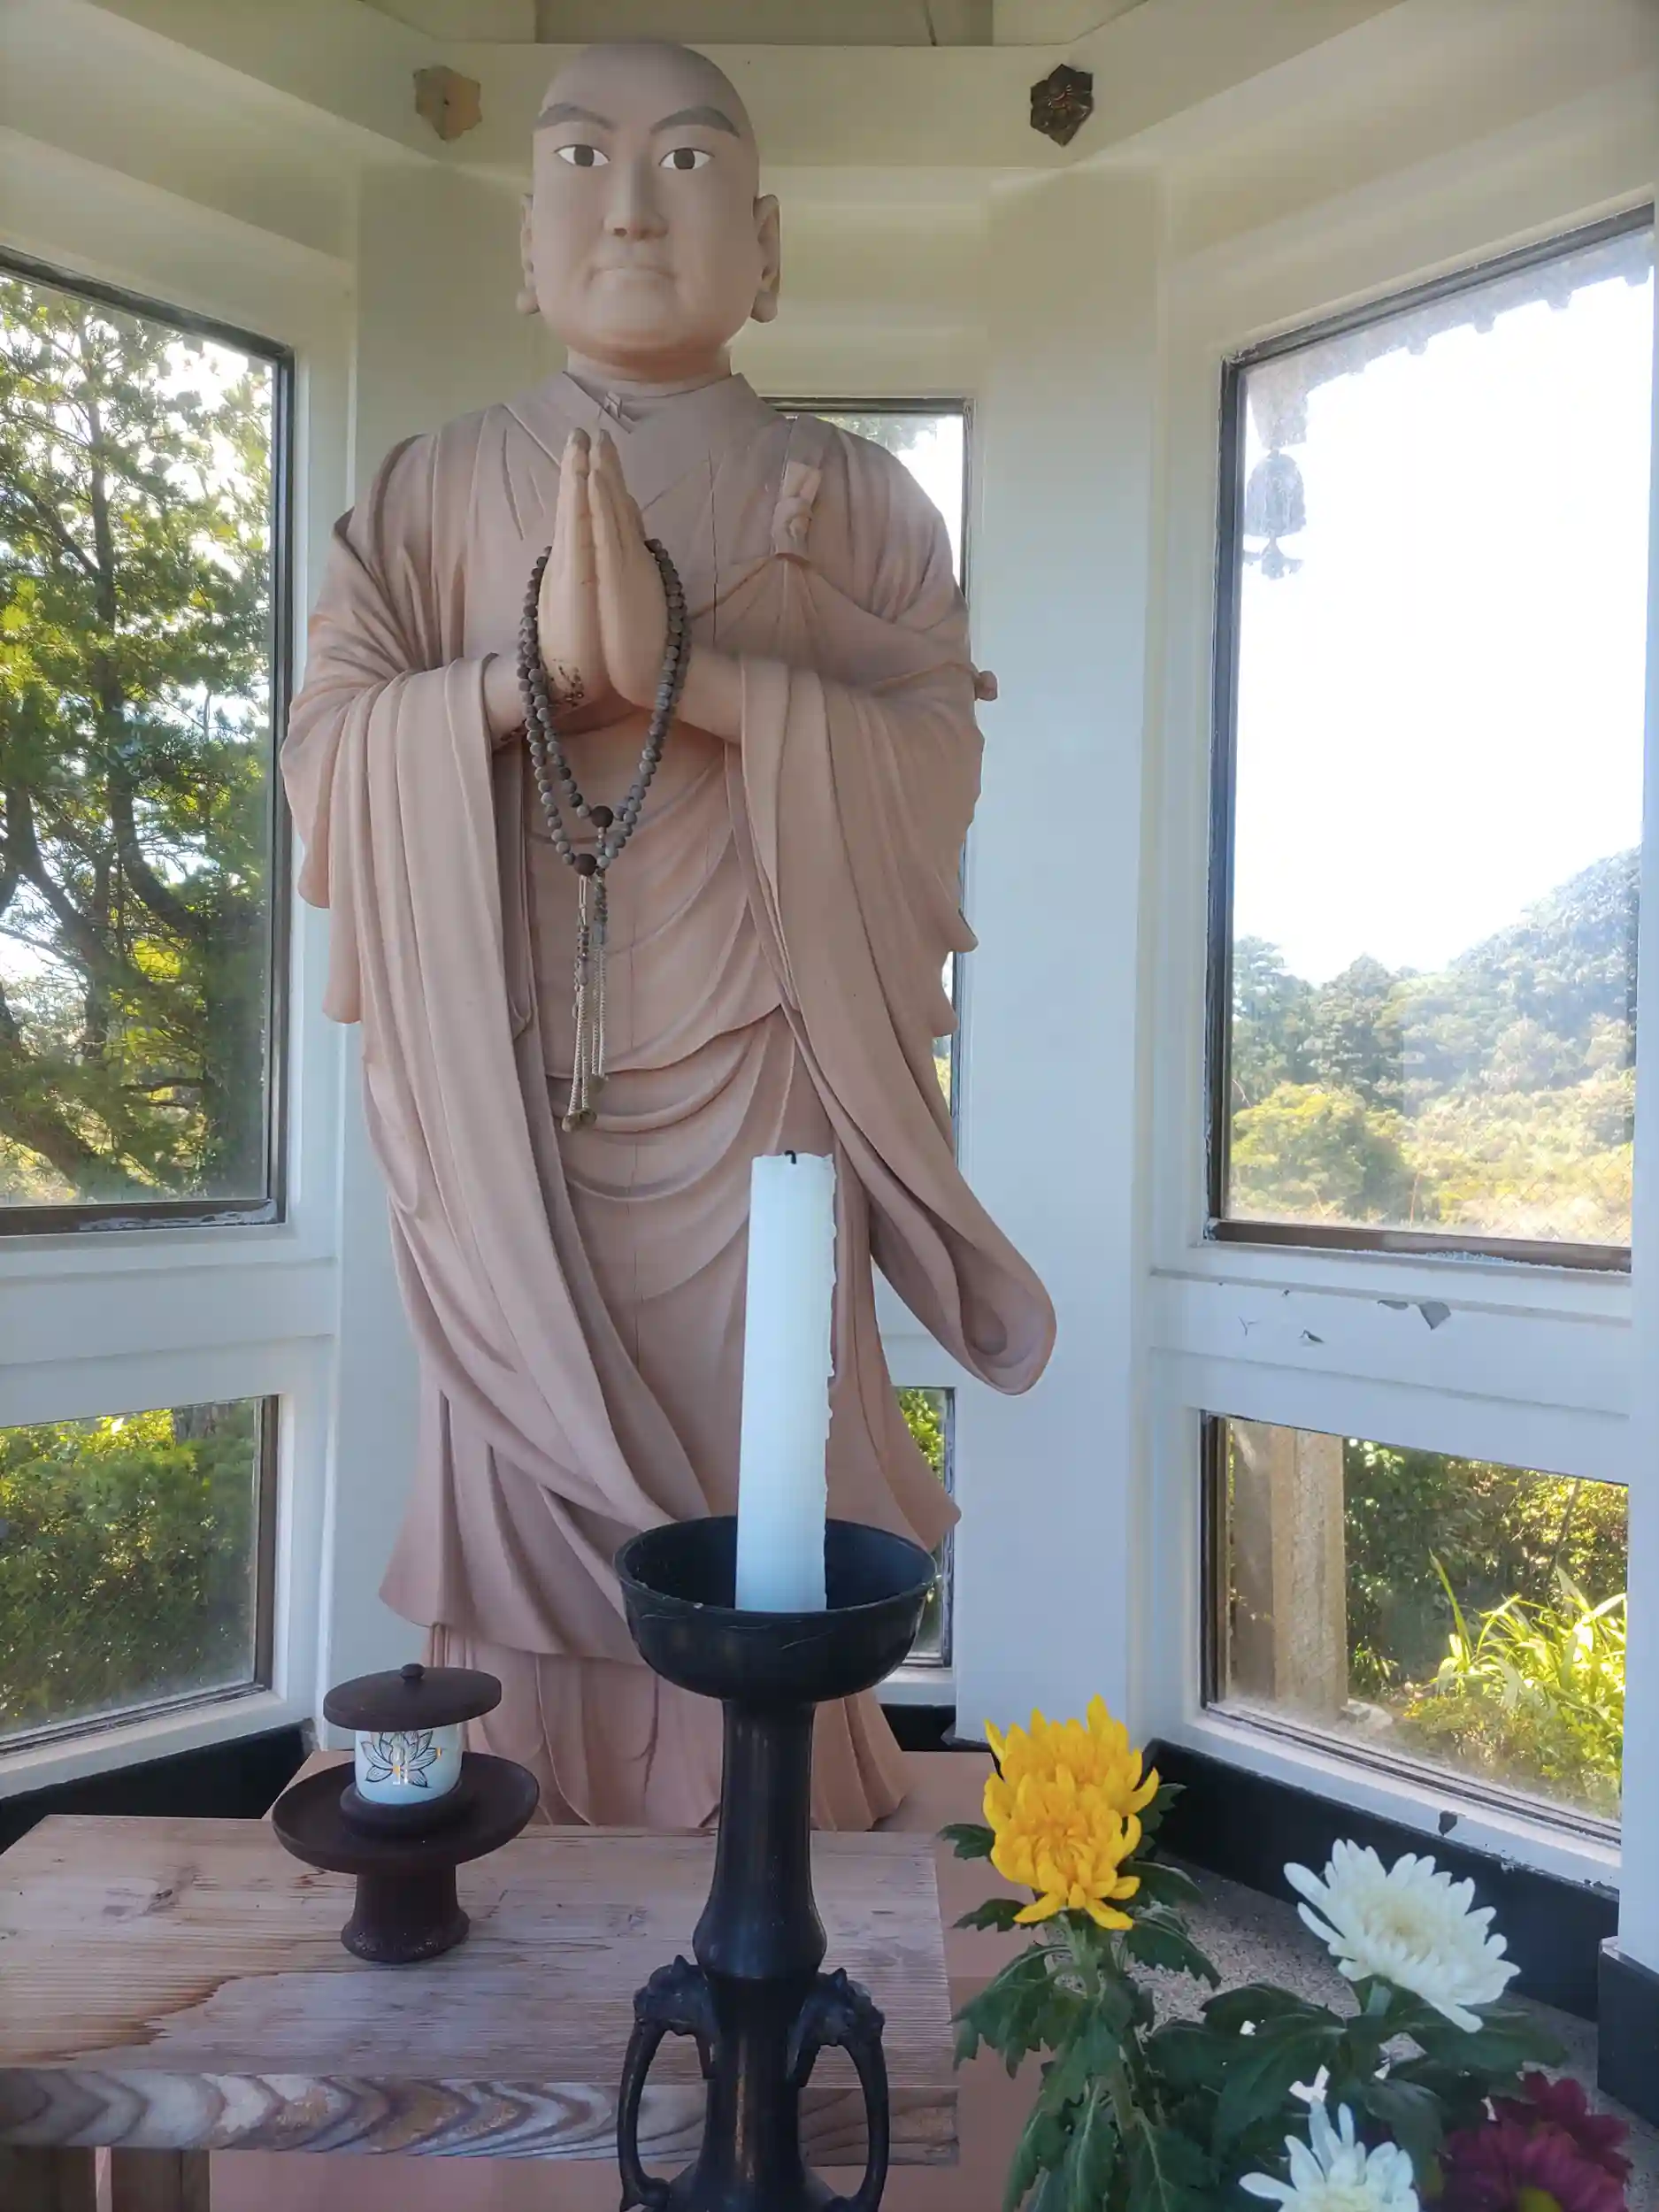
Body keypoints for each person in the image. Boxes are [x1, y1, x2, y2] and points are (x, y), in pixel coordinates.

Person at [282, 38, 1054, 1830]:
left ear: (766, 251)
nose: (631, 209)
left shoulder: (855, 496)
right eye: (580, 161)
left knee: (756, 1444)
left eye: (690, 166)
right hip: (496, 1084)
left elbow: (934, 755)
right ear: (521, 246)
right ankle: (514, 1784)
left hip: (763, 1061)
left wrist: (700, 688)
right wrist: (518, 687)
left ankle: (772, 1808)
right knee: (513, 1463)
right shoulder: (420, 495)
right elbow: (326, 754)